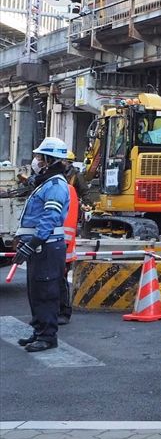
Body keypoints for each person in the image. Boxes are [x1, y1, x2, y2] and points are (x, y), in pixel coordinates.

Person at [13, 137, 72, 352]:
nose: (36, 160)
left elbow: (50, 217)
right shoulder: (46, 183)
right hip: (40, 246)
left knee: (46, 292)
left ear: (49, 159)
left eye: (39, 157)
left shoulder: (56, 185)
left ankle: (48, 337)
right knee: (36, 291)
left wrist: (34, 242)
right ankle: (39, 331)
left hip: (47, 247)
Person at [59, 151, 93, 325]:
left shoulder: (74, 179)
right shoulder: (59, 180)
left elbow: (85, 193)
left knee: (61, 277)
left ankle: (63, 311)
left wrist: (87, 205)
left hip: (63, 239)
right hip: (60, 239)